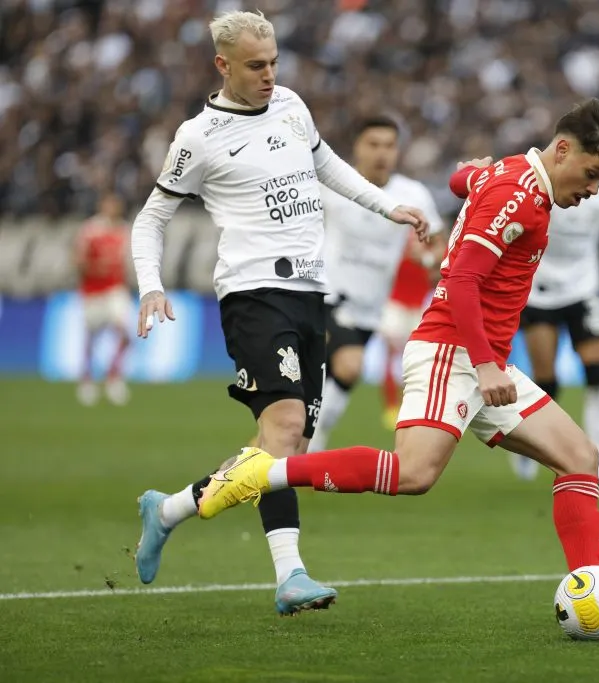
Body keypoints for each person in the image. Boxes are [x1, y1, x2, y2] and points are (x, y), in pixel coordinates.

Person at [195, 98, 599, 630]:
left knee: (580, 457)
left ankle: (597, 594)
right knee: (413, 473)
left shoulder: (512, 175)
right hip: (455, 351)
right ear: (563, 149)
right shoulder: (518, 195)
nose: (593, 190)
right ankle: (261, 471)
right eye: (592, 173)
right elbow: (463, 280)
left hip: (481, 357)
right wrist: (488, 365)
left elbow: (455, 180)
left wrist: (474, 176)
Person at [129, 10, 428, 615]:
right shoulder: (198, 137)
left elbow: (325, 166)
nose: (268, 75)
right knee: (287, 433)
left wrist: (385, 207)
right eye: (255, 66)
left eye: (273, 63)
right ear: (223, 66)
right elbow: (151, 218)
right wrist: (149, 286)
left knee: (280, 450)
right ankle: (290, 576)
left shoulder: (291, 105)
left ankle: (168, 510)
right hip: (252, 294)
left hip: (310, 297)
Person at [307, 116, 444, 452]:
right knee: (350, 366)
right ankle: (309, 443)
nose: (382, 153)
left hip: (371, 306)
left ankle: (308, 436)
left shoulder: (412, 194)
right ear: (357, 147)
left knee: (333, 378)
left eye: (389, 145)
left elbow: (440, 247)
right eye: (373, 144)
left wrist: (426, 258)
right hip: (325, 294)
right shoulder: (333, 184)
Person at [512, 171, 599, 497]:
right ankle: (528, 445)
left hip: (584, 288)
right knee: (546, 381)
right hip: (539, 289)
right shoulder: (547, 176)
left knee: (596, 371)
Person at [75, 192, 132, 407]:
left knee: (124, 333)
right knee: (91, 338)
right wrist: (99, 268)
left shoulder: (124, 230)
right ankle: (87, 378)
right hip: (93, 291)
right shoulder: (90, 231)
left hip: (115, 290)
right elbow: (79, 262)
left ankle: (113, 376)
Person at [379, 234, 442, 429]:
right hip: (395, 305)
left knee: (414, 360)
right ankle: (390, 407)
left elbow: (438, 272)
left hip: (418, 308)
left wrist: (426, 259)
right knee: (390, 355)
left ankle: (411, 407)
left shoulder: (432, 239)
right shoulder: (396, 239)